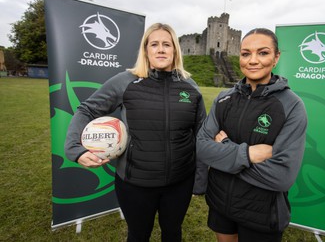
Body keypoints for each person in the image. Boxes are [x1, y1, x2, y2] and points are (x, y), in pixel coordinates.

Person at [65, 23, 207, 242]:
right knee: (138, 235)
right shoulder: (126, 81)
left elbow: (201, 134)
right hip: (135, 184)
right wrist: (75, 147)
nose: (161, 49)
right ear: (146, 50)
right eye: (155, 44)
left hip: (180, 183)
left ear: (175, 50)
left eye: (166, 44)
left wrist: (200, 177)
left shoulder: (191, 87)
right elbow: (87, 109)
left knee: (173, 233)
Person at [196, 28, 307, 242]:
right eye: (246, 53)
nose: (253, 60)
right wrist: (248, 154)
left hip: (261, 212)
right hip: (221, 203)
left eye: (263, 53)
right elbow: (201, 148)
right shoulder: (224, 98)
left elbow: (282, 176)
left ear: (276, 58)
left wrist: (224, 151)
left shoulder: (291, 105)